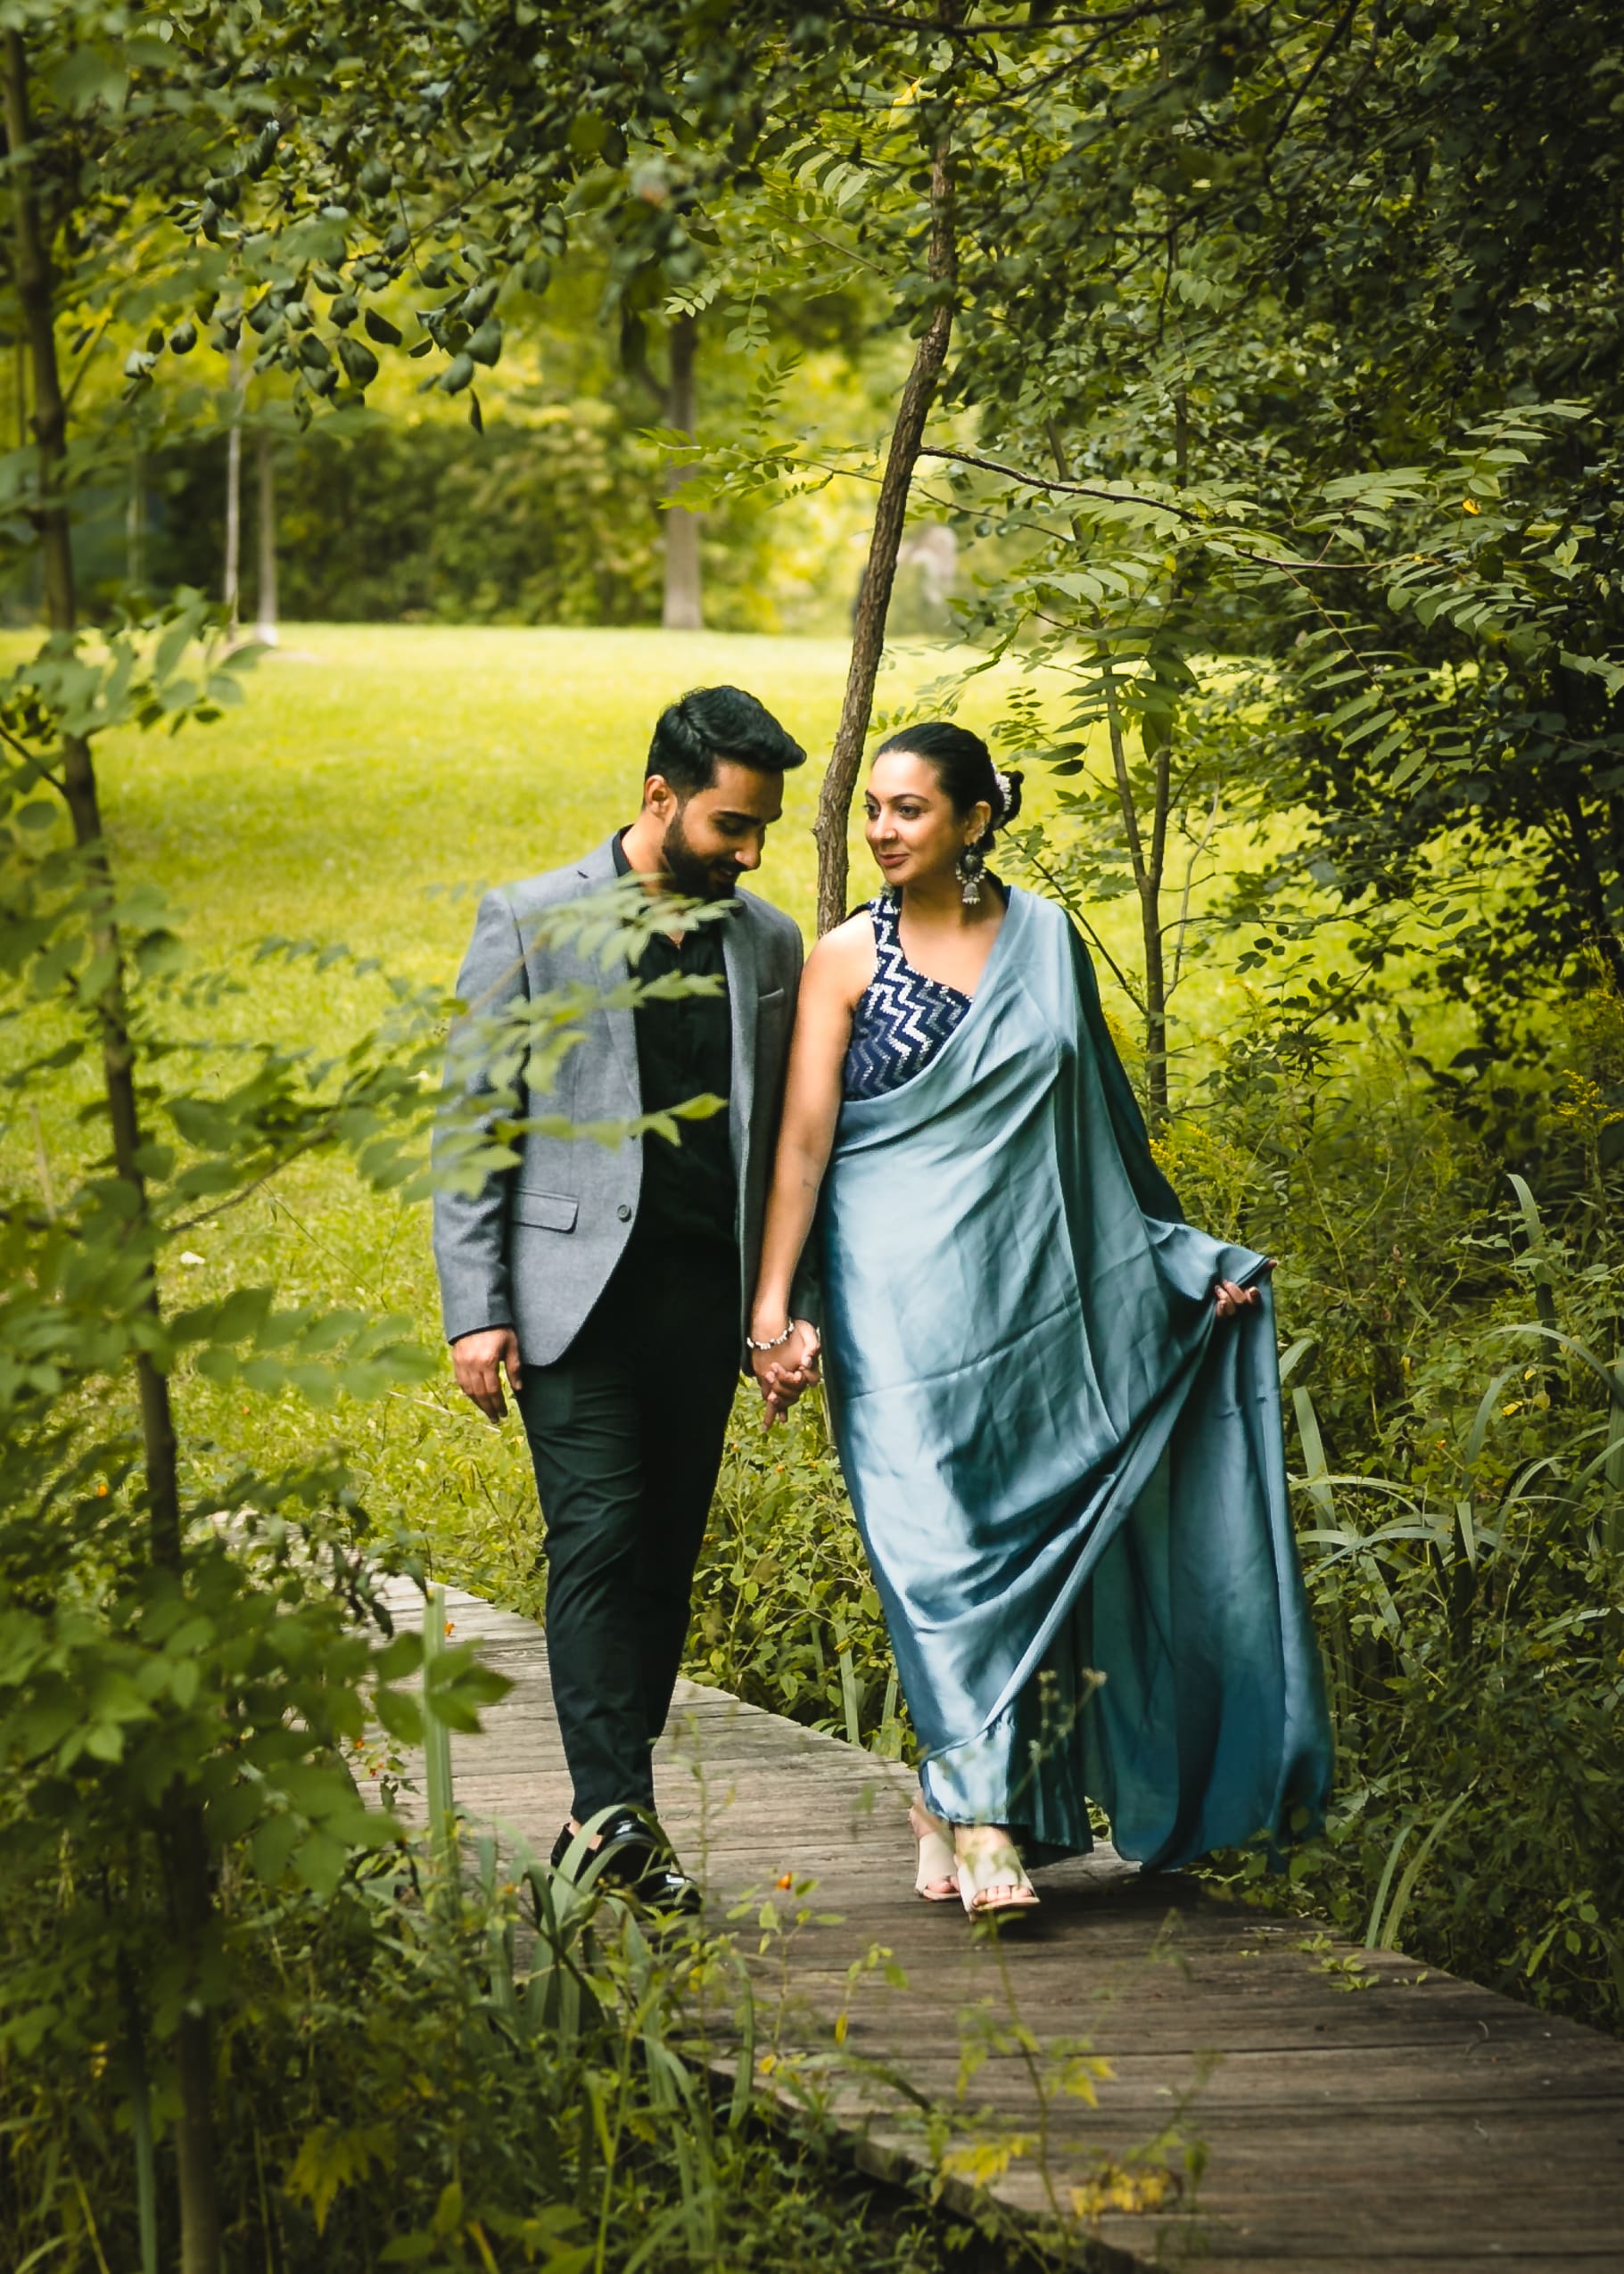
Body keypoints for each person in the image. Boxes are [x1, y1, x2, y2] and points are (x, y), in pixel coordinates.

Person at [746, 721, 1332, 1919]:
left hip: (1036, 1302)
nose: (881, 828)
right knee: (936, 1560)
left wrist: (1178, 1267)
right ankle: (986, 1819)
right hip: (893, 1305)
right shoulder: (847, 958)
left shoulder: (1048, 941)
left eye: (910, 809)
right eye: (874, 807)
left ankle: (950, 1795)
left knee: (1034, 1562)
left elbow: (1099, 1138)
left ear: (973, 817)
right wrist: (773, 1310)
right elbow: (801, 1147)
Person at [433, 687, 808, 1912]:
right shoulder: (533, 919)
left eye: (759, 831)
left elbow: (787, 1146)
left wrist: (777, 1309)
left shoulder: (768, 943)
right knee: (595, 1538)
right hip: (570, 1295)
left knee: (662, 1558)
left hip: (703, 1304)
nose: (747, 853)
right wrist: (473, 1308)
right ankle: (612, 1814)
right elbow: (474, 1124)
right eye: (728, 826)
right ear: (659, 798)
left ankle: (617, 1800)